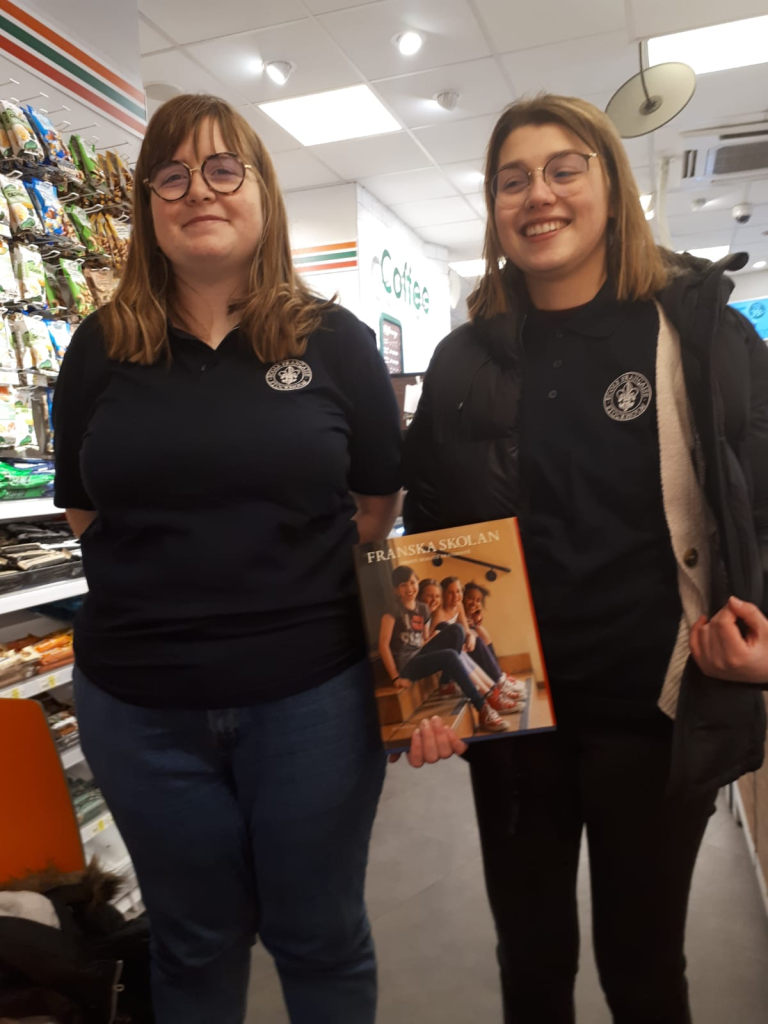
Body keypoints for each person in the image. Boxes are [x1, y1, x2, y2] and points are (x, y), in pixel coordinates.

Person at [402, 93, 768, 1024]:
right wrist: (435, 695)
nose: (540, 195)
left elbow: (759, 501)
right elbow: (431, 526)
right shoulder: (463, 360)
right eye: (512, 180)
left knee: (643, 970)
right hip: (512, 708)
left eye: (565, 169)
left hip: (656, 706)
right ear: (494, 208)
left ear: (612, 185)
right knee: (530, 964)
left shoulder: (701, 336)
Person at [52, 94, 403, 1024]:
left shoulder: (337, 343)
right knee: (192, 942)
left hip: (314, 700)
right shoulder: (98, 348)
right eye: (170, 175)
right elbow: (83, 507)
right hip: (138, 707)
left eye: (221, 169)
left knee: (320, 936)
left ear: (262, 192)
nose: (197, 191)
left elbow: (375, 509)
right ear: (146, 206)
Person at [378, 566, 510, 731]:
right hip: (406, 665)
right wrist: (395, 678)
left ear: (417, 582)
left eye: (412, 582)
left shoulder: (422, 608)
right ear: (396, 590)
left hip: (419, 654)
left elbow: (423, 640)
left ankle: (446, 683)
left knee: (457, 629)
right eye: (403, 585)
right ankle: (482, 707)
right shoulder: (392, 612)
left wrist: (438, 636)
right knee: (450, 656)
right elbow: (383, 645)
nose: (409, 588)